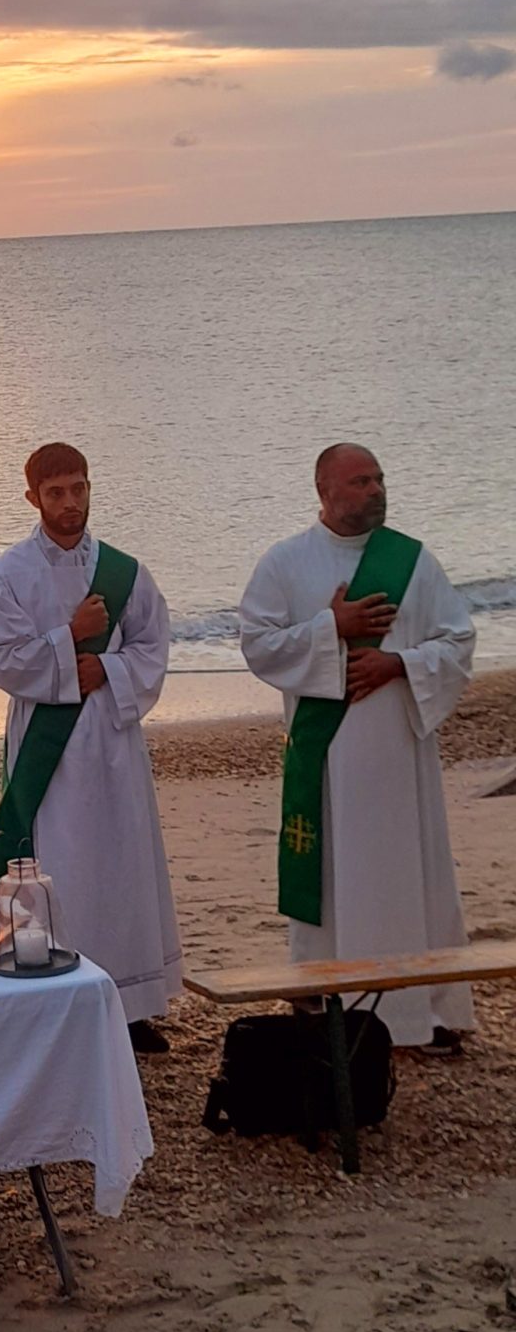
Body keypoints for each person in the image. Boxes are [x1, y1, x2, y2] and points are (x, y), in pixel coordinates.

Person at [239, 443, 475, 1049]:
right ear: (324, 491)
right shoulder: (285, 562)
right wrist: (332, 630)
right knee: (332, 875)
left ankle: (419, 1012)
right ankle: (325, 1001)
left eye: (379, 479)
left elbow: (458, 641)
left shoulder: (412, 560)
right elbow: (258, 644)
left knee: (405, 876)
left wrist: (398, 664)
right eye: (360, 482)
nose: (375, 491)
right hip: (327, 758)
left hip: (398, 756)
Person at [0, 442, 182, 1051]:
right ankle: (57, 1000)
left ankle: (131, 1007)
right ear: (32, 497)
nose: (70, 503)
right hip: (49, 746)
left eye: (78, 489)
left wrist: (107, 670)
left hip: (112, 737)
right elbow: (2, 659)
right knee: (59, 863)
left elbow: (153, 646)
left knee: (120, 861)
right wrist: (71, 638)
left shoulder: (126, 572)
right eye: (56, 492)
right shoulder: (8, 573)